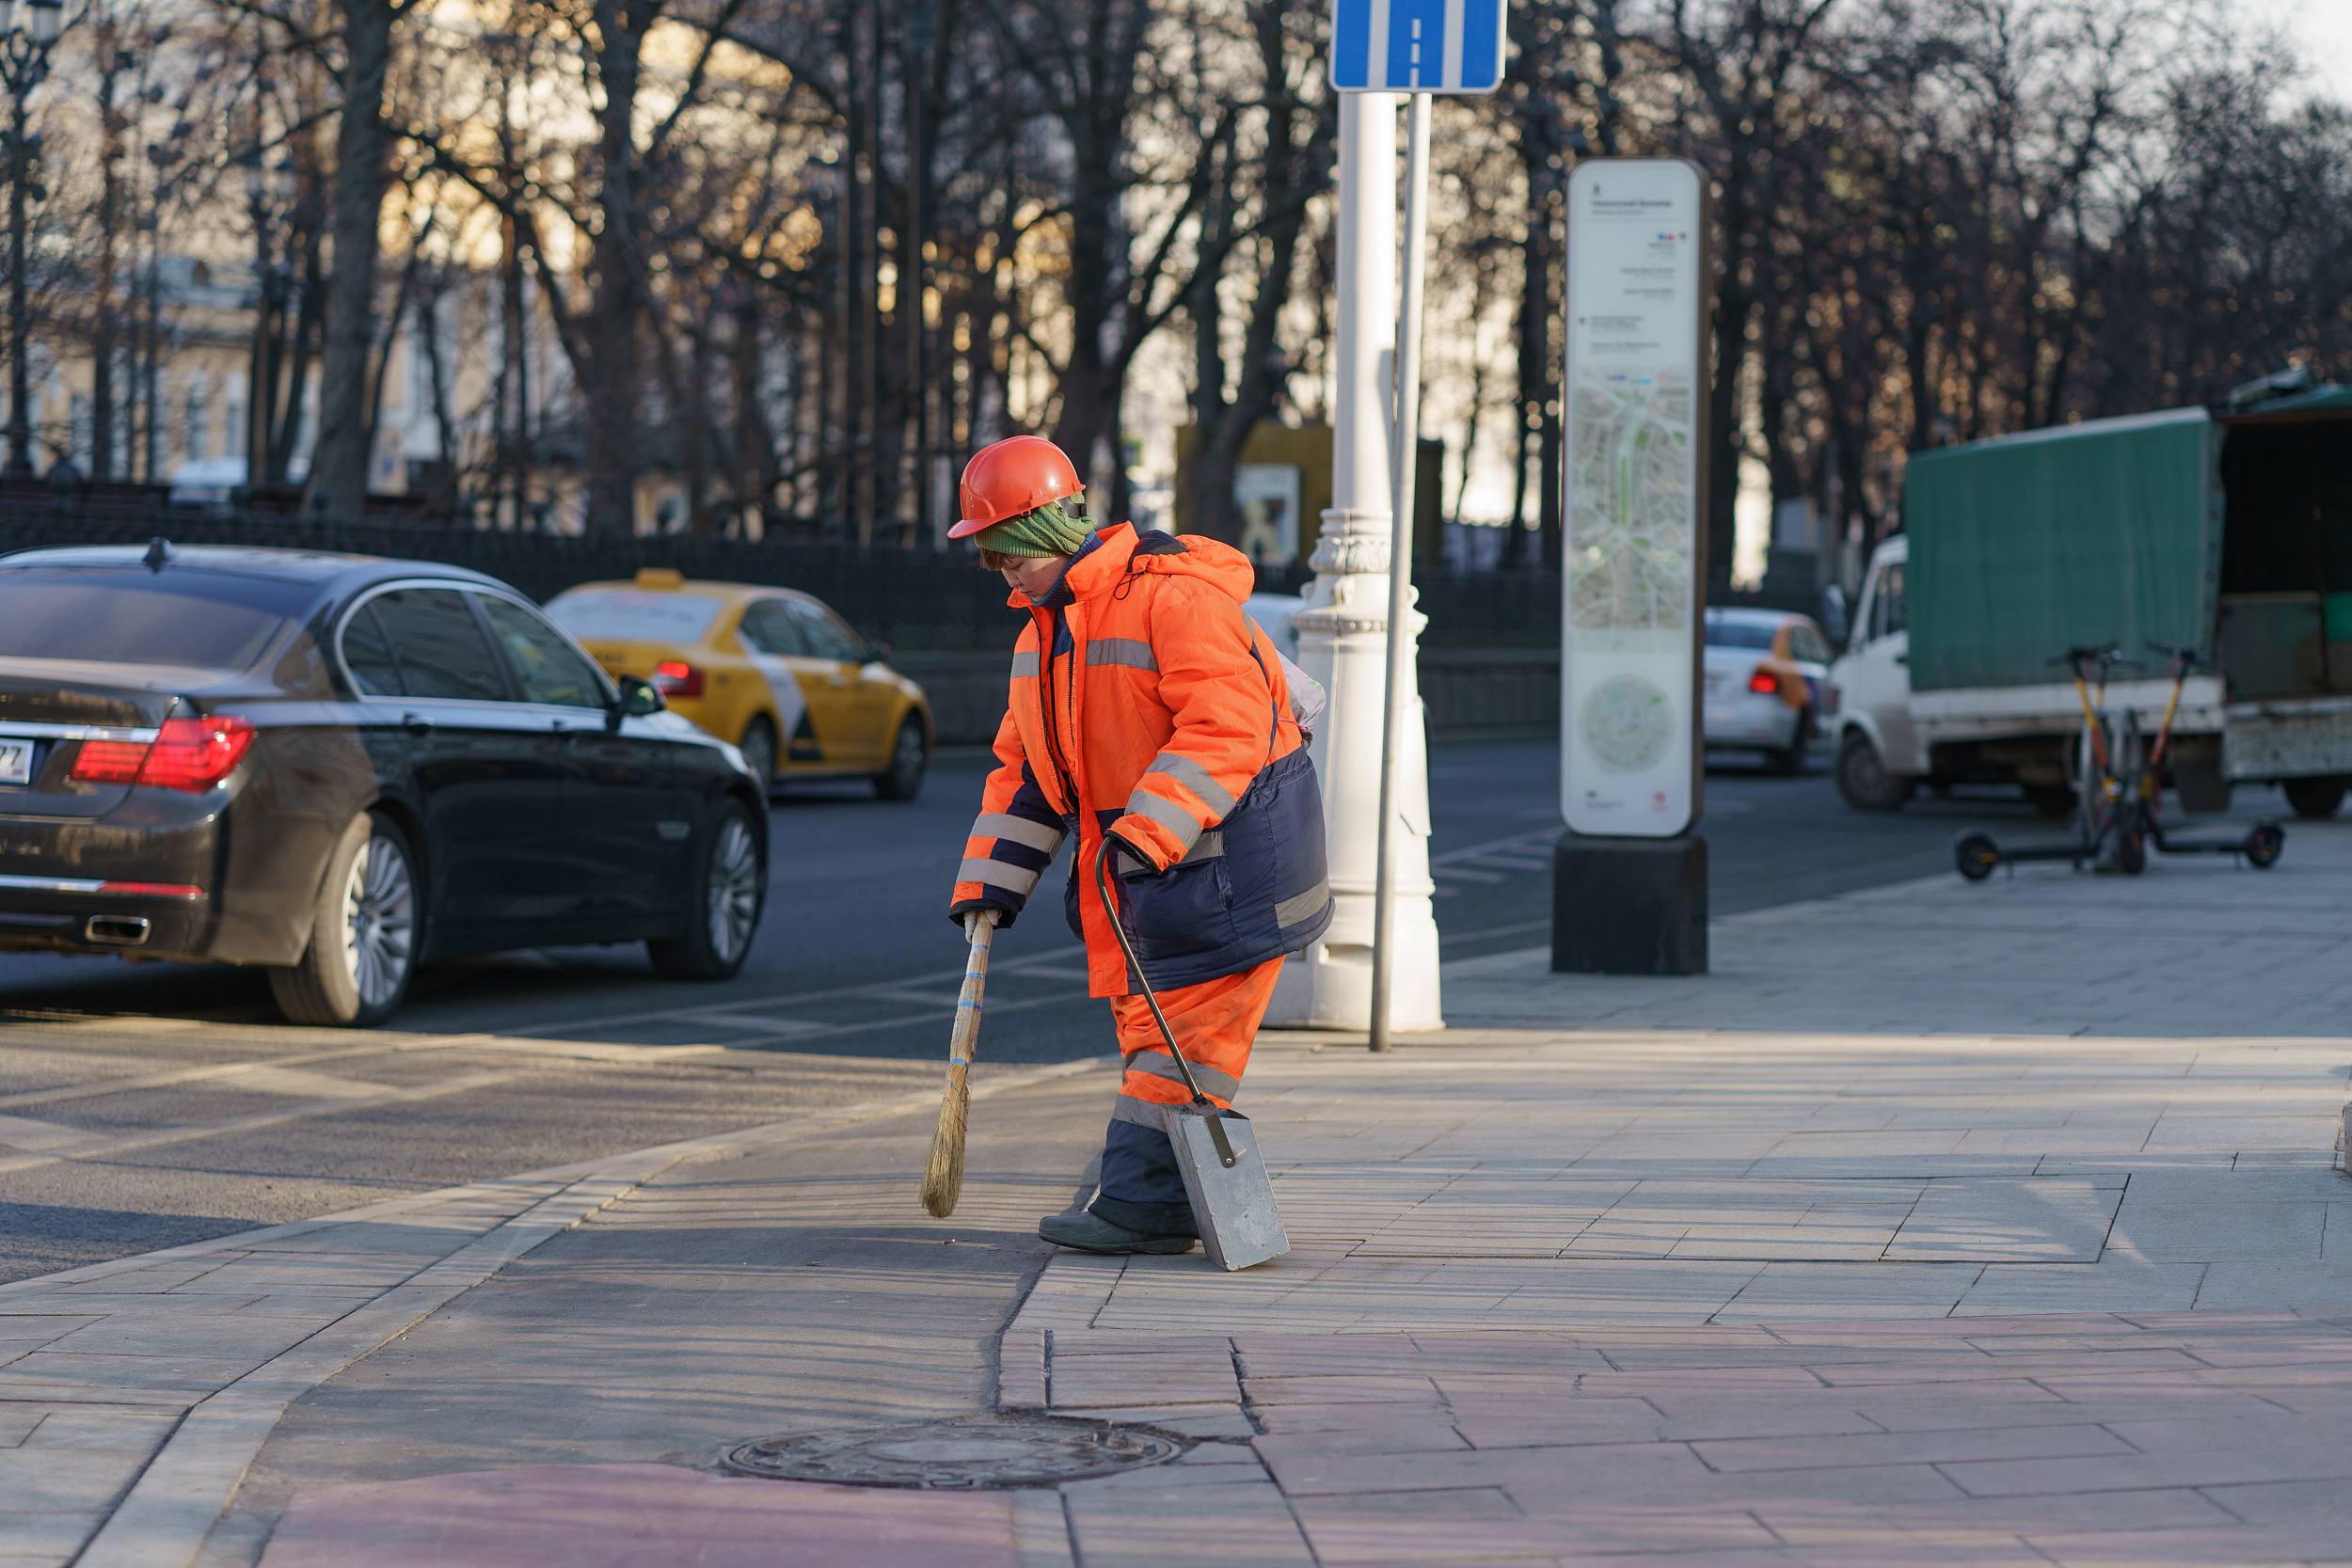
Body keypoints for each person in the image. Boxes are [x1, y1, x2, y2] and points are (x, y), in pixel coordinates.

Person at [946, 435, 1333, 1256]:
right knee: (1157, 1030)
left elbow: (1226, 726)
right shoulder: (1041, 638)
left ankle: (1139, 1204)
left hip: (1231, 862)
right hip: (1159, 870)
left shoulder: (1169, 598)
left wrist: (1147, 830)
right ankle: (1160, 1202)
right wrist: (991, 880)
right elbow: (1027, 772)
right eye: (990, 558)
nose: (1003, 571)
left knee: (1183, 1038)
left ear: (1052, 526)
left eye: (1009, 550)